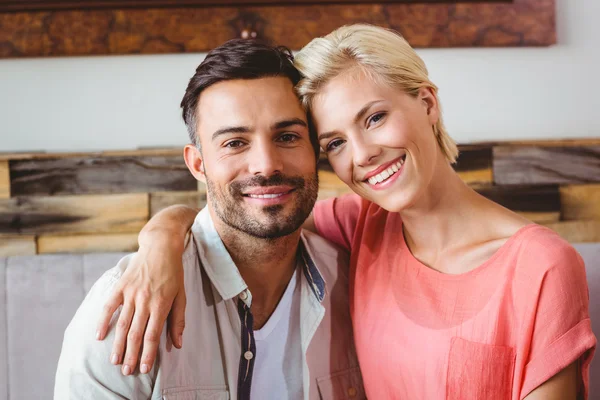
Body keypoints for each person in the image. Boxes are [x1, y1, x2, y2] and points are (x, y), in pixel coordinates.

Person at [97, 25, 596, 399]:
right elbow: (245, 211)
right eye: (335, 142)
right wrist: (161, 239)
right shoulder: (362, 226)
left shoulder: (541, 266)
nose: (362, 155)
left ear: (427, 103)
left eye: (374, 118)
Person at [54, 39, 364, 400]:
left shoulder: (353, 283)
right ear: (198, 164)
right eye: (235, 143)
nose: (266, 164)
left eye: (287, 136)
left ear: (315, 150)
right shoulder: (128, 307)